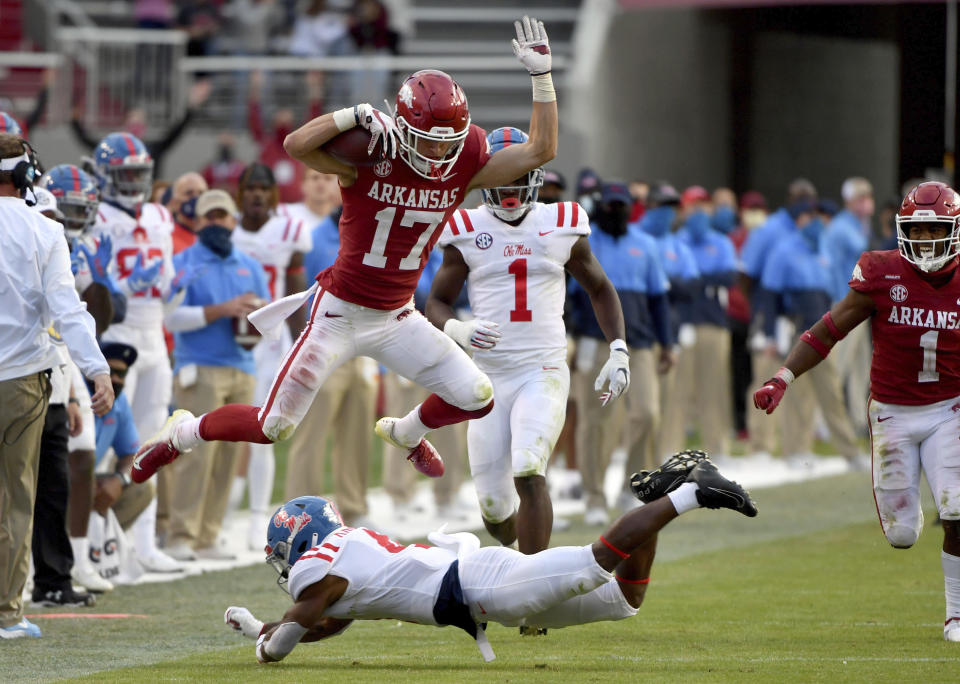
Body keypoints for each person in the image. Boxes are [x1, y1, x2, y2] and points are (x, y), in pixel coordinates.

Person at [132, 16, 559, 487]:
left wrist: (542, 78)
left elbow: (540, 150)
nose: (439, 157)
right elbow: (296, 145)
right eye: (429, 144)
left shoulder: (464, 163)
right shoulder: (371, 159)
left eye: (449, 146)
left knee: (477, 396)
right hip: (338, 314)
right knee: (273, 426)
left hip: (398, 316)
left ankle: (407, 432)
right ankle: (183, 433)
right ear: (400, 127)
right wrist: (350, 115)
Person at [222, 451, 757, 663]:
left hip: (478, 584)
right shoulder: (340, 562)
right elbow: (326, 622)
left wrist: (264, 647)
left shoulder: (319, 570)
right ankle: (655, 500)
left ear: (300, 542)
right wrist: (260, 627)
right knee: (622, 599)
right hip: (479, 596)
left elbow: (293, 634)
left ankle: (691, 493)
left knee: (594, 563)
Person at [754, 180, 960, 642]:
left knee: (959, 510)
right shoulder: (881, 273)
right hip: (892, 412)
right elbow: (829, 329)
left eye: (935, 231)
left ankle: (956, 615)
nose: (926, 241)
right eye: (918, 232)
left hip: (952, 407)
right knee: (903, 534)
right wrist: (782, 376)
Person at [427, 126, 625, 554]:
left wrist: (619, 349)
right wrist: (459, 329)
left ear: (534, 175)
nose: (510, 187)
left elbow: (600, 288)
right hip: (487, 378)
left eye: (518, 176)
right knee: (495, 511)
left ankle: (532, 591)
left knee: (530, 470)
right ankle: (519, 550)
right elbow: (437, 302)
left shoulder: (560, 222)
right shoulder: (464, 228)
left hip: (543, 368)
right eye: (501, 177)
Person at [0, 132, 113, 639]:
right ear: (26, 175)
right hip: (21, 379)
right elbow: (68, 311)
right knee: (15, 497)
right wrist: (97, 369)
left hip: (21, 374)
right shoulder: (43, 230)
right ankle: (5, 611)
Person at [90, 131, 182, 573]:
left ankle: (143, 544)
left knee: (152, 440)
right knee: (106, 439)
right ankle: (97, 541)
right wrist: (124, 287)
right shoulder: (98, 216)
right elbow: (93, 288)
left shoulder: (161, 216)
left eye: (137, 174)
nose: (131, 182)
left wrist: (171, 290)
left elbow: (167, 288)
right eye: (123, 175)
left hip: (152, 332)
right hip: (115, 332)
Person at [161, 189, 269, 560]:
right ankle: (180, 535)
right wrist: (222, 310)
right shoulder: (183, 261)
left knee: (225, 457)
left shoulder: (249, 264)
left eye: (223, 216)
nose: (217, 223)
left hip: (242, 366)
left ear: (232, 220)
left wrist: (256, 316)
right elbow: (171, 318)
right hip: (200, 365)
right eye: (210, 217)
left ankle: (208, 535)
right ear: (198, 221)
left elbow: (267, 317)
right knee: (195, 454)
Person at [569, 181, 674, 526]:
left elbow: (658, 299)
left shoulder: (646, 245)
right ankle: (594, 496)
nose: (617, 212)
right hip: (594, 342)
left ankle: (632, 487)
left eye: (622, 205)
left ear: (631, 208)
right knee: (595, 422)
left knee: (647, 413)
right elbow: (568, 296)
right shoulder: (585, 242)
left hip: (639, 343)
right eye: (611, 205)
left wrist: (667, 343)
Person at [282, 172, 378, 529]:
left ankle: (354, 507)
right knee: (311, 435)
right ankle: (299, 514)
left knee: (356, 435)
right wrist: (301, 347)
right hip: (324, 347)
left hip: (362, 347)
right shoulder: (311, 241)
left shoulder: (368, 236)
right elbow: (295, 296)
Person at [230, 163, 312, 546]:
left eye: (264, 188)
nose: (258, 195)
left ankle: (256, 516)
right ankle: (226, 507)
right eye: (251, 188)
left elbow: (295, 291)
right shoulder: (225, 228)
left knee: (261, 430)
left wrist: (302, 345)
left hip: (271, 343)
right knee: (223, 426)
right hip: (227, 340)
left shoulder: (289, 231)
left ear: (274, 195)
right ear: (240, 192)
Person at [755, 199, 860, 469]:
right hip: (797, 328)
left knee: (831, 392)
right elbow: (770, 295)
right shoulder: (784, 250)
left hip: (824, 329)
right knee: (797, 393)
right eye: (809, 217)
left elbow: (833, 292)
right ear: (799, 220)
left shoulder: (823, 248)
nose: (815, 223)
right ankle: (795, 450)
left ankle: (849, 451)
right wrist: (770, 334)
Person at [823, 177, 874, 435]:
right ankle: (823, 424)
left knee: (861, 365)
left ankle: (856, 420)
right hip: (846, 301)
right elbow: (832, 266)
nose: (867, 202)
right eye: (861, 197)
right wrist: (838, 302)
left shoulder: (858, 225)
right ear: (850, 200)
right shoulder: (842, 227)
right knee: (839, 363)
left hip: (861, 304)